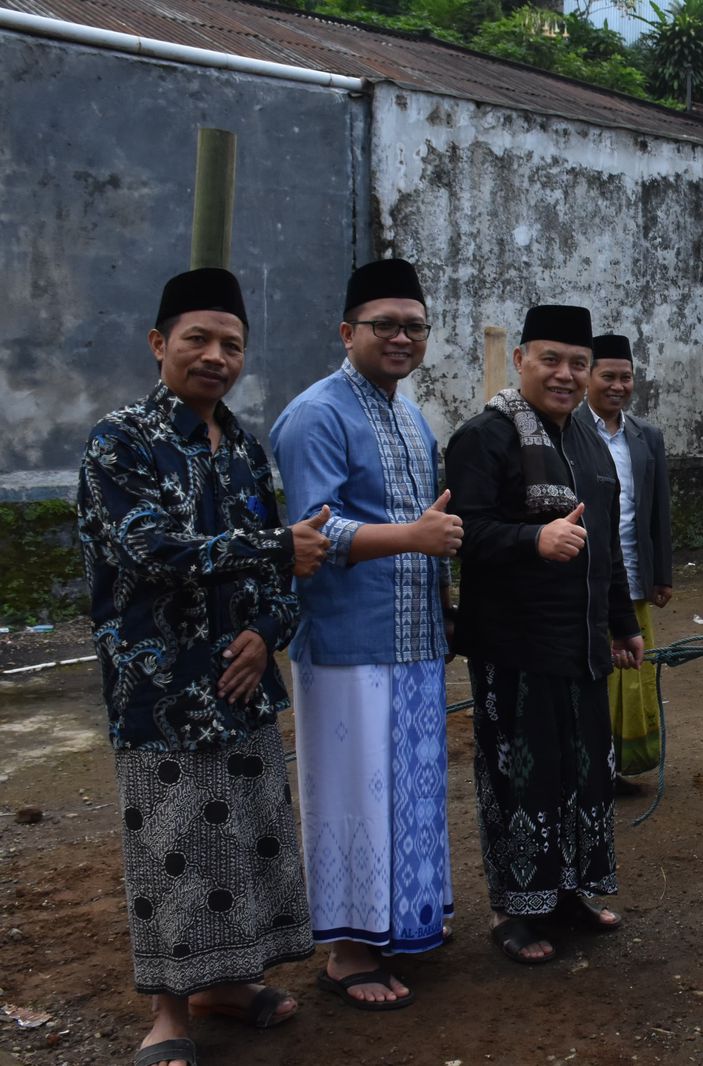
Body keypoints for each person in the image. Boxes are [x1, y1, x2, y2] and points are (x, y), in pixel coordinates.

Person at [77, 268, 332, 1066]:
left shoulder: (246, 450)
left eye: (232, 345)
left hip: (243, 681)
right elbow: (147, 550)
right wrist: (275, 549)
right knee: (173, 845)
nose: (215, 356)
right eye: (198, 339)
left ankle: (227, 983)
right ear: (160, 345)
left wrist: (266, 632)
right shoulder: (121, 440)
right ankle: (169, 1013)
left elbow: (287, 571)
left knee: (248, 839)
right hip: (161, 689)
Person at [269, 258, 462, 1010]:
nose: (401, 337)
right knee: (354, 796)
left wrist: (432, 555)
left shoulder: (408, 413)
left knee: (412, 790)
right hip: (348, 643)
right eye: (385, 324)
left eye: (414, 325)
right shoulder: (317, 413)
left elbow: (430, 526)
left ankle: (405, 923)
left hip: (413, 637)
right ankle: (349, 951)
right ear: (347, 332)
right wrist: (414, 536)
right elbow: (313, 529)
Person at [445, 304, 644, 966]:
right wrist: (535, 537)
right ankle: (513, 911)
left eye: (577, 364)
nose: (564, 375)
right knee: (519, 779)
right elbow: (463, 534)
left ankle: (569, 895)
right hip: (515, 648)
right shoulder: (486, 437)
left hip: (582, 646)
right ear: (523, 359)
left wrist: (622, 622)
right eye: (551, 360)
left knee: (586, 775)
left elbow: (607, 545)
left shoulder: (588, 440)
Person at [580, 333, 673, 795]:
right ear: (588, 378)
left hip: (634, 576)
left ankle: (619, 765)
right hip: (586, 582)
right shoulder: (570, 430)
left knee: (633, 676)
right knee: (594, 673)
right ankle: (592, 765)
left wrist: (663, 576)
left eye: (626, 377)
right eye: (608, 376)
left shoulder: (646, 437)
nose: (618, 386)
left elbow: (658, 512)